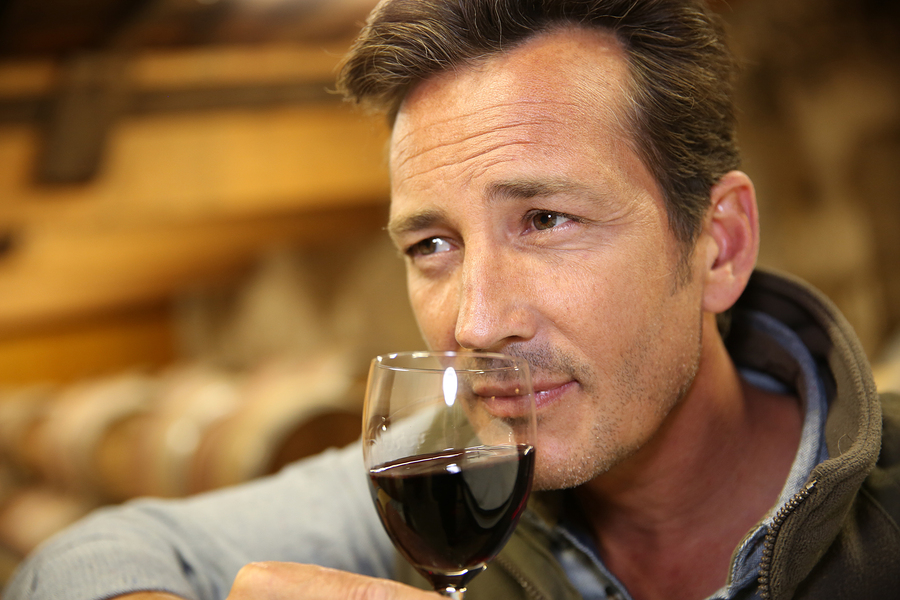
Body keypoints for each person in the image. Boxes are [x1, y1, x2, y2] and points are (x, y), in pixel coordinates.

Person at [6, 1, 900, 599]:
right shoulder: (454, 478)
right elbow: (78, 559)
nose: (474, 323)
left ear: (719, 244)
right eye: (432, 246)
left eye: (546, 219)